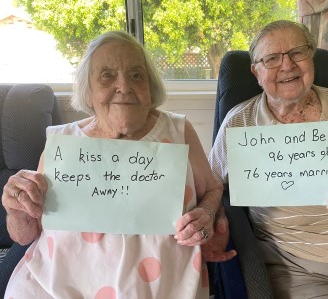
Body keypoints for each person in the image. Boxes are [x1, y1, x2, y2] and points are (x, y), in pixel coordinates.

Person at [2, 30, 236, 298]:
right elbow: (24, 236)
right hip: (52, 285)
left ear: (151, 88)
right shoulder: (63, 142)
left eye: (137, 75)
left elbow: (213, 188)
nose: (124, 86)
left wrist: (206, 214)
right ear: (88, 91)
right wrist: (16, 210)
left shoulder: (179, 130)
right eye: (106, 75)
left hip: (161, 285)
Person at [209, 20, 328, 298]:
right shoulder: (239, 122)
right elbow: (211, 183)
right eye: (271, 58)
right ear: (256, 72)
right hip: (305, 269)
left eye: (297, 52)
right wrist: (208, 217)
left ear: (311, 57)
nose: (287, 66)